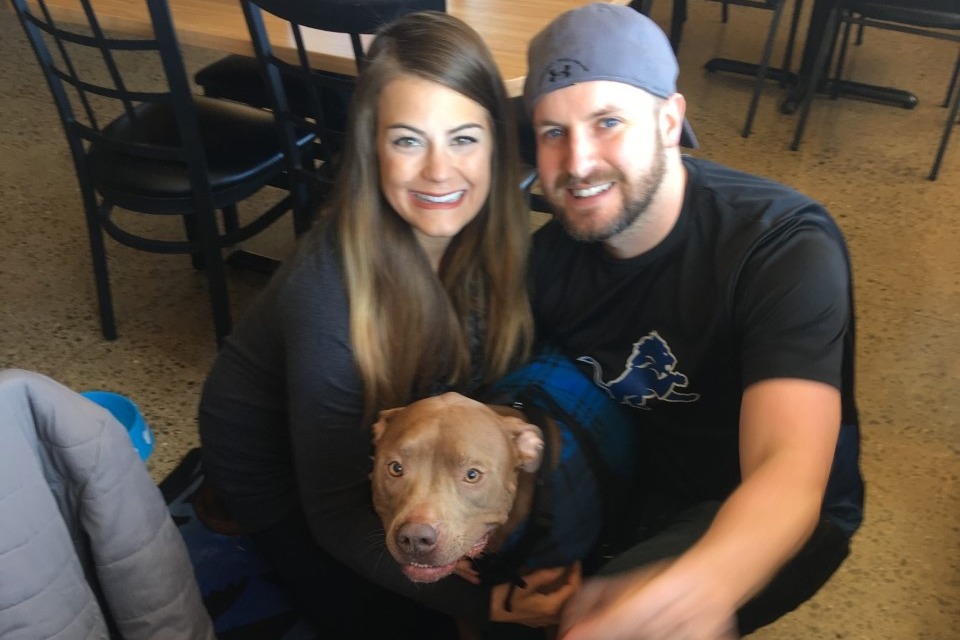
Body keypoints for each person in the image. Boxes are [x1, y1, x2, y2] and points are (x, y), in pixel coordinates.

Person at [516, 4, 865, 639]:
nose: (578, 162)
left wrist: (697, 586)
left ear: (669, 121)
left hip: (761, 508)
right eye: (553, 132)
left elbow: (788, 472)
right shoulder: (548, 262)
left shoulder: (782, 245)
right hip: (633, 474)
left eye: (608, 122)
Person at [198, 11, 545, 639]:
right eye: (408, 140)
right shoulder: (327, 293)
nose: (439, 170)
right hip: (284, 475)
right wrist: (490, 605)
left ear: (497, 145)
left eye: (464, 138)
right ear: (370, 150)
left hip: (401, 452)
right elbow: (333, 511)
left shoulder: (493, 238)